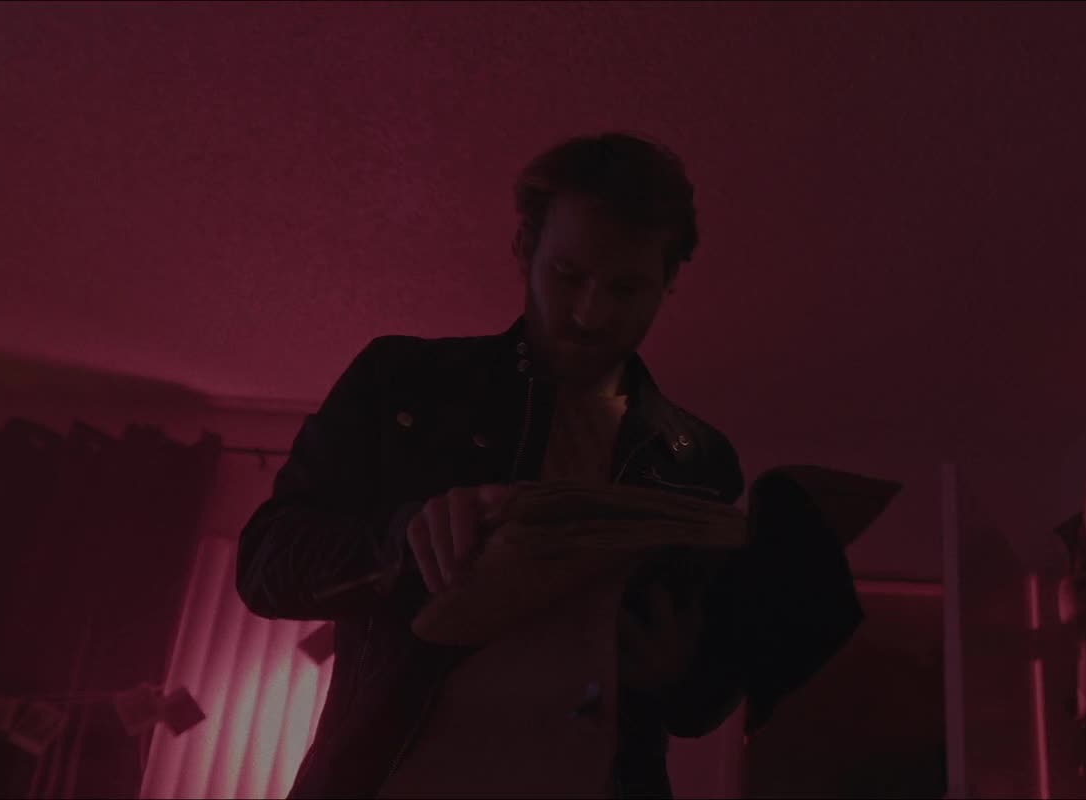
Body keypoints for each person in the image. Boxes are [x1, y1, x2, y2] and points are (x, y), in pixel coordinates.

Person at [235, 133, 860, 798]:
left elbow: (695, 710)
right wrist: (404, 541)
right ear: (524, 248)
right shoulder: (403, 380)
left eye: (626, 288)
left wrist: (676, 670)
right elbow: (265, 566)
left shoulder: (700, 459)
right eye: (569, 276)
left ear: (669, 282)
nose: (592, 313)